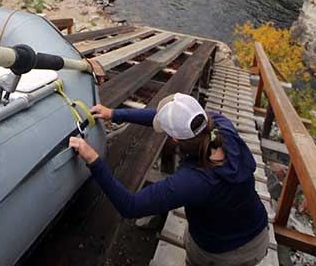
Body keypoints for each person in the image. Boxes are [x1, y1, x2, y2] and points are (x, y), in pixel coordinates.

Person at [68, 93, 269, 266]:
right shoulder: (219, 125)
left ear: (174, 139)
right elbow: (158, 116)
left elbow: (131, 206)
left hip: (221, 254)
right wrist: (115, 113)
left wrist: (93, 160)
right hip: (258, 235)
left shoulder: (193, 180)